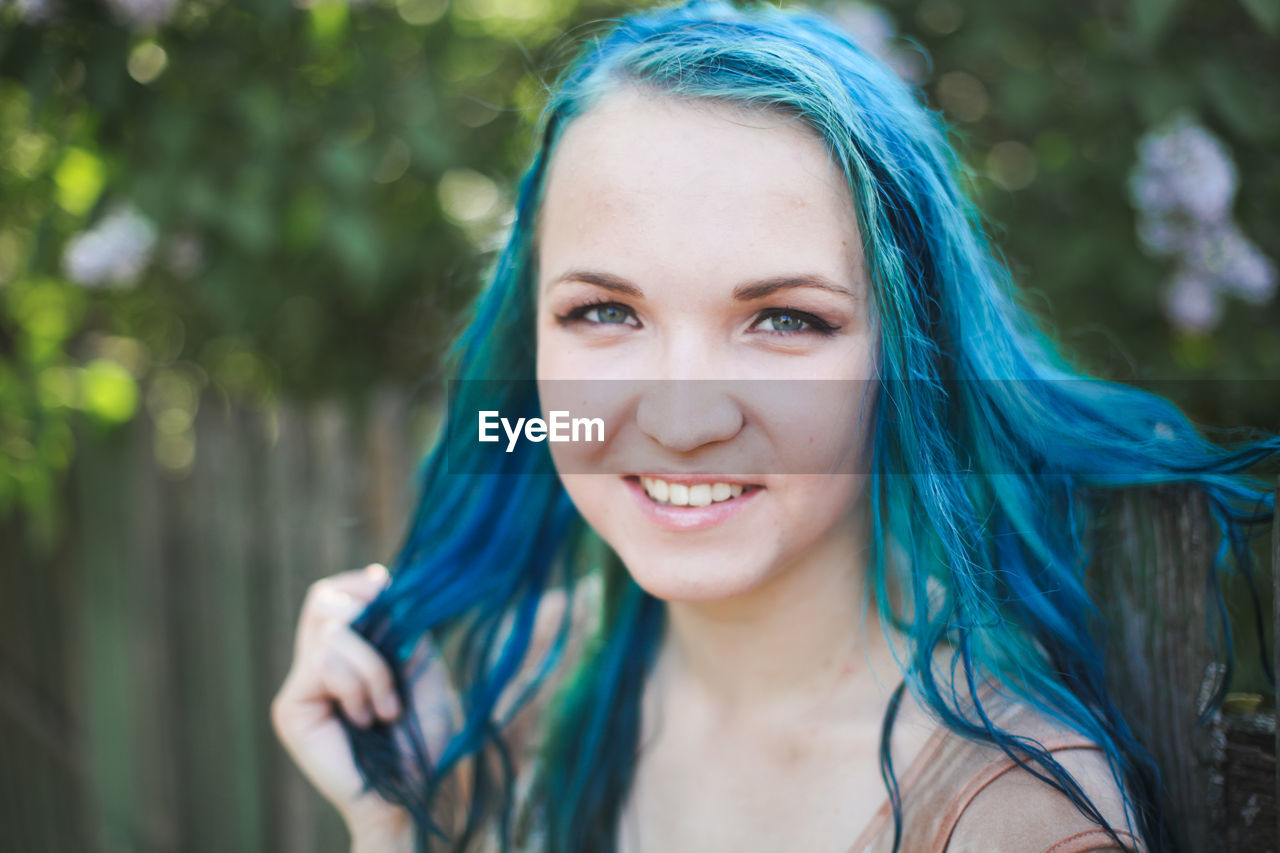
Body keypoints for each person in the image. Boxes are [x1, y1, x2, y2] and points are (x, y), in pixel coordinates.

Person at [270, 2, 1279, 851]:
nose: (680, 417)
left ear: (903, 358)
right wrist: (398, 822)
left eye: (784, 320)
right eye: (604, 312)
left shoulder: (1011, 819)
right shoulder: (510, 694)